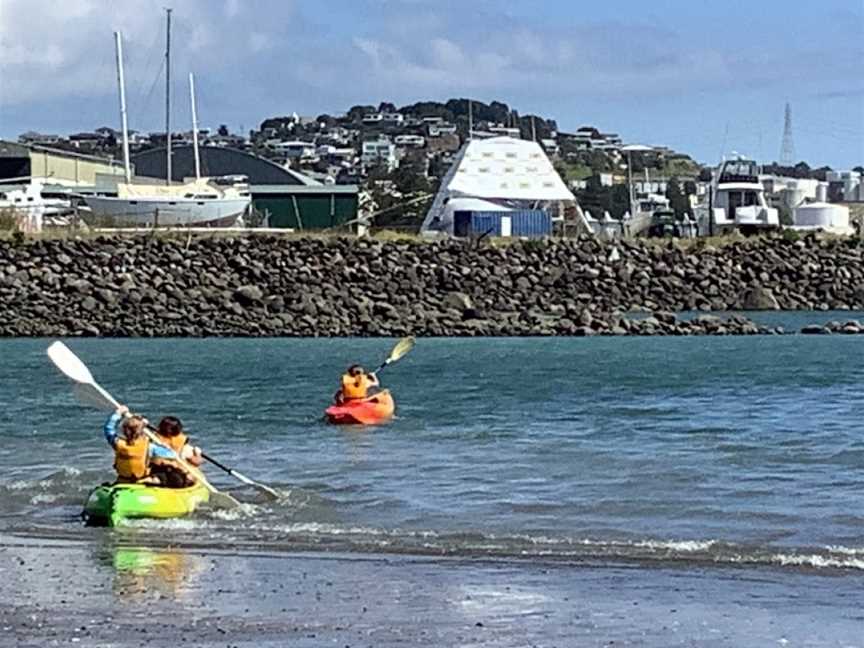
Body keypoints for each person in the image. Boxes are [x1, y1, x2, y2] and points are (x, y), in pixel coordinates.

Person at [103, 406, 160, 485]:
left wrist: (118, 413)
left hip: (122, 481)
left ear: (124, 430)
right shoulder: (150, 446)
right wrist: (146, 424)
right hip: (142, 481)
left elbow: (108, 429)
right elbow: (161, 439)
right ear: (143, 431)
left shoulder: (117, 443)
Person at [148, 416, 204, 488]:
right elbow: (196, 462)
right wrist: (197, 453)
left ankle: (157, 480)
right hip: (175, 472)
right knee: (189, 477)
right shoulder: (184, 446)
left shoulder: (153, 439)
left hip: (158, 470)